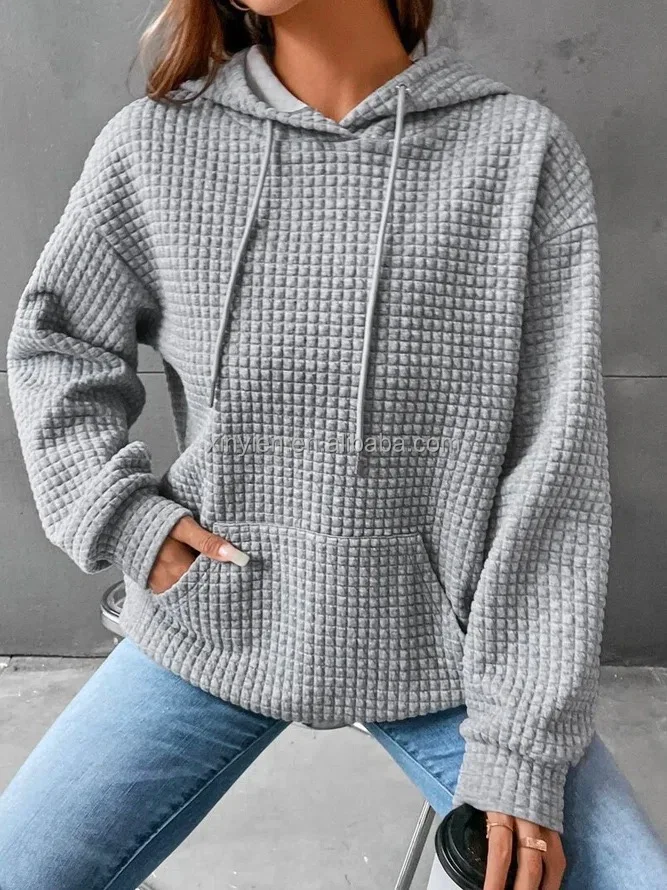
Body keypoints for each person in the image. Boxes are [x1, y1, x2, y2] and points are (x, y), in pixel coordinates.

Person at [2, 1, 666, 888]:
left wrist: (520, 746)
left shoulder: (517, 154)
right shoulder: (155, 146)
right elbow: (56, 346)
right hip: (213, 619)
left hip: (443, 653)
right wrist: (123, 517)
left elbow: (555, 472)